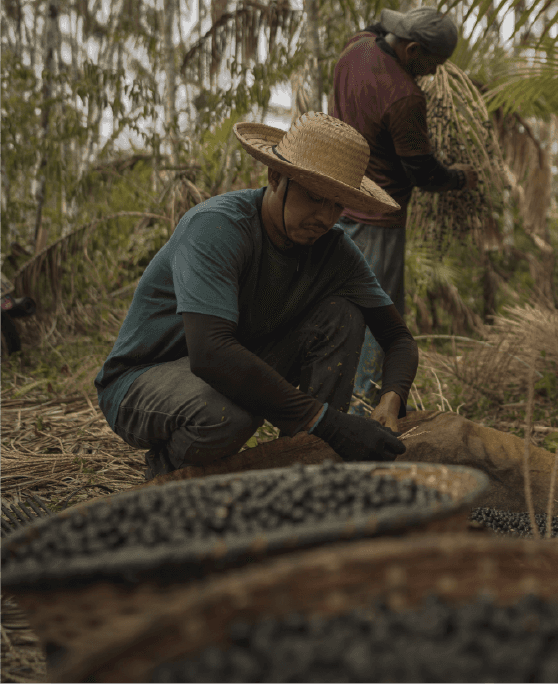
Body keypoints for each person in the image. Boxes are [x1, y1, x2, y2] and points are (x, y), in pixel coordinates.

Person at [94, 112, 417, 480]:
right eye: (314, 197)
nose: (325, 217)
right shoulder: (218, 227)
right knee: (226, 414)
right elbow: (210, 354)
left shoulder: (335, 251)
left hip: (235, 366)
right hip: (142, 381)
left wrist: (391, 399)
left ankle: (307, 466)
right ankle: (168, 474)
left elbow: (398, 337)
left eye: (337, 205)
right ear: (275, 177)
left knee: (342, 314)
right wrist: (328, 423)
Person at [329, 6, 478, 414]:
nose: (434, 73)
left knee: (339, 309)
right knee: (379, 318)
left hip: (336, 203)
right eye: (434, 63)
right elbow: (423, 172)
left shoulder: (355, 49)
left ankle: (331, 399)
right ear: (412, 50)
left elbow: (375, 25)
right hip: (378, 219)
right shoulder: (405, 96)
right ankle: (364, 407)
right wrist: (460, 178)